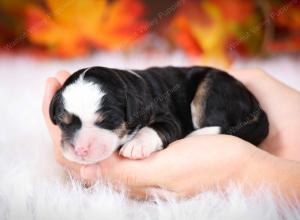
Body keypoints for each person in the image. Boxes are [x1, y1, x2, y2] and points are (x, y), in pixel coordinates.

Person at [42, 68, 300, 200]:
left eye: (104, 123)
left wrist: (147, 138)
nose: (81, 145)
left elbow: (170, 125)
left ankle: (221, 129)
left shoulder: (143, 103)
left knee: (209, 92)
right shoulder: (128, 96)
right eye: (66, 125)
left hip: (211, 85)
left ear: (131, 109)